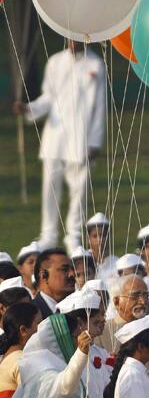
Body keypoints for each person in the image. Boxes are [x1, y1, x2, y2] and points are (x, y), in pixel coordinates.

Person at [13, 42, 106, 253]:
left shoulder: (96, 65)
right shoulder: (55, 61)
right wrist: (29, 108)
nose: (73, 42)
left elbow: (100, 105)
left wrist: (95, 141)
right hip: (55, 135)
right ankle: (49, 234)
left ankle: (73, 236)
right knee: (50, 188)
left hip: (82, 135)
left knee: (79, 189)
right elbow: (48, 98)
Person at [95, 275, 149, 398]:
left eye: (146, 295)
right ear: (116, 302)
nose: (142, 301)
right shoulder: (100, 332)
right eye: (135, 296)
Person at [32, 248, 76, 319]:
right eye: (64, 269)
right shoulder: (30, 314)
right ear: (43, 275)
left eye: (73, 269)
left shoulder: (77, 309)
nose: (72, 274)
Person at [87, 213, 118, 283]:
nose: (99, 240)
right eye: (95, 236)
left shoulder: (117, 263)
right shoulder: (83, 262)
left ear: (110, 237)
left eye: (103, 235)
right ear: (88, 239)